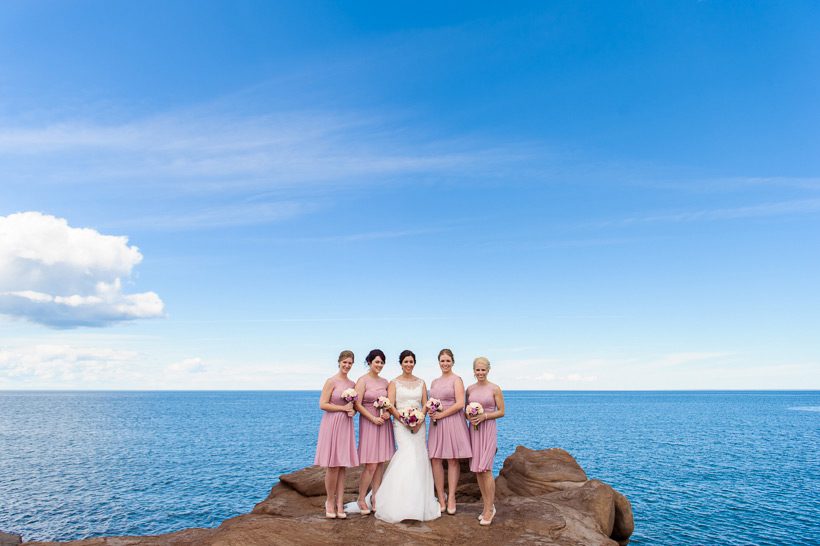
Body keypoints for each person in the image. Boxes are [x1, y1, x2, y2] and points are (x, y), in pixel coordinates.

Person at [373, 350, 441, 523]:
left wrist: (419, 419)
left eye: (411, 361)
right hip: (400, 424)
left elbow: (425, 404)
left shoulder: (421, 382)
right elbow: (390, 405)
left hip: (419, 424)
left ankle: (419, 502)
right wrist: (404, 420)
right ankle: (399, 503)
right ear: (401, 363)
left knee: (419, 457)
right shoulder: (394, 383)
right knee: (406, 454)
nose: (409, 364)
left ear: (414, 363)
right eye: (406, 362)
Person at [314, 350, 359, 519]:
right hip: (332, 424)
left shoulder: (353, 383)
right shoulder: (331, 381)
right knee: (333, 465)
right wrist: (342, 408)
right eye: (344, 362)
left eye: (350, 363)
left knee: (342, 465)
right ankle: (329, 501)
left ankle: (340, 503)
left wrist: (352, 411)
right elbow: (322, 404)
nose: (347, 365)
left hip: (346, 425)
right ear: (339, 362)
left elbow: (353, 407)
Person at [427, 348, 472, 515]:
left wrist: (441, 415)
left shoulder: (457, 380)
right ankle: (441, 496)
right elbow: (432, 402)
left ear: (452, 362)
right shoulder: (434, 382)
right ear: (439, 362)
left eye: (448, 360)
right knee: (435, 459)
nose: (445, 363)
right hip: (436, 424)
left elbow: (460, 404)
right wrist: (432, 412)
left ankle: (452, 496)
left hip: (453, 421)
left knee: (452, 459)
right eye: (442, 361)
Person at [353, 349, 395, 514]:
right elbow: (357, 404)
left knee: (380, 463)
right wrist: (372, 418)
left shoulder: (385, 382)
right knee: (371, 464)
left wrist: (387, 413)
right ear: (369, 362)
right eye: (377, 362)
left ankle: (376, 497)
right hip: (369, 422)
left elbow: (390, 403)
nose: (379, 365)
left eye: (382, 362)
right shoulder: (362, 381)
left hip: (383, 423)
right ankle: (361, 498)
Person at [466, 356, 505, 526]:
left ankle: (490, 509)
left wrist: (485, 416)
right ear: (474, 371)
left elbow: (502, 411)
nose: (480, 372)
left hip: (488, 429)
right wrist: (470, 416)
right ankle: (486, 506)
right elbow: (465, 411)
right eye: (477, 370)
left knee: (486, 469)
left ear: (488, 370)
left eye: (483, 370)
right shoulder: (470, 389)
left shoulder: (495, 388)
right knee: (478, 470)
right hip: (474, 430)